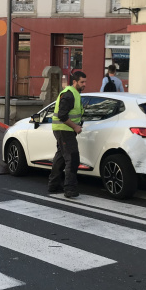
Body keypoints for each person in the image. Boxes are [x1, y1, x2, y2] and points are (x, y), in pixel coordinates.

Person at [48, 70, 87, 198]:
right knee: (73, 158)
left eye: (85, 82)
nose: (84, 84)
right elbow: (62, 115)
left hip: (63, 129)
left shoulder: (74, 93)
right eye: (82, 82)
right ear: (74, 82)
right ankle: (69, 189)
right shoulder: (69, 94)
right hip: (64, 129)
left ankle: (53, 186)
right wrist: (75, 126)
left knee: (61, 157)